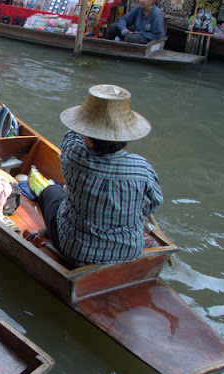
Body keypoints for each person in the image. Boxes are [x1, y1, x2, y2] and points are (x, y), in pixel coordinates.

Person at [33, 84, 164, 265]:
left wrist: (89, 115)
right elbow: (151, 205)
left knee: (50, 192)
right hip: (129, 249)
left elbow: (72, 135)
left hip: (77, 248)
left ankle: (51, 231)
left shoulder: (74, 156)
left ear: (89, 134)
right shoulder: (142, 167)